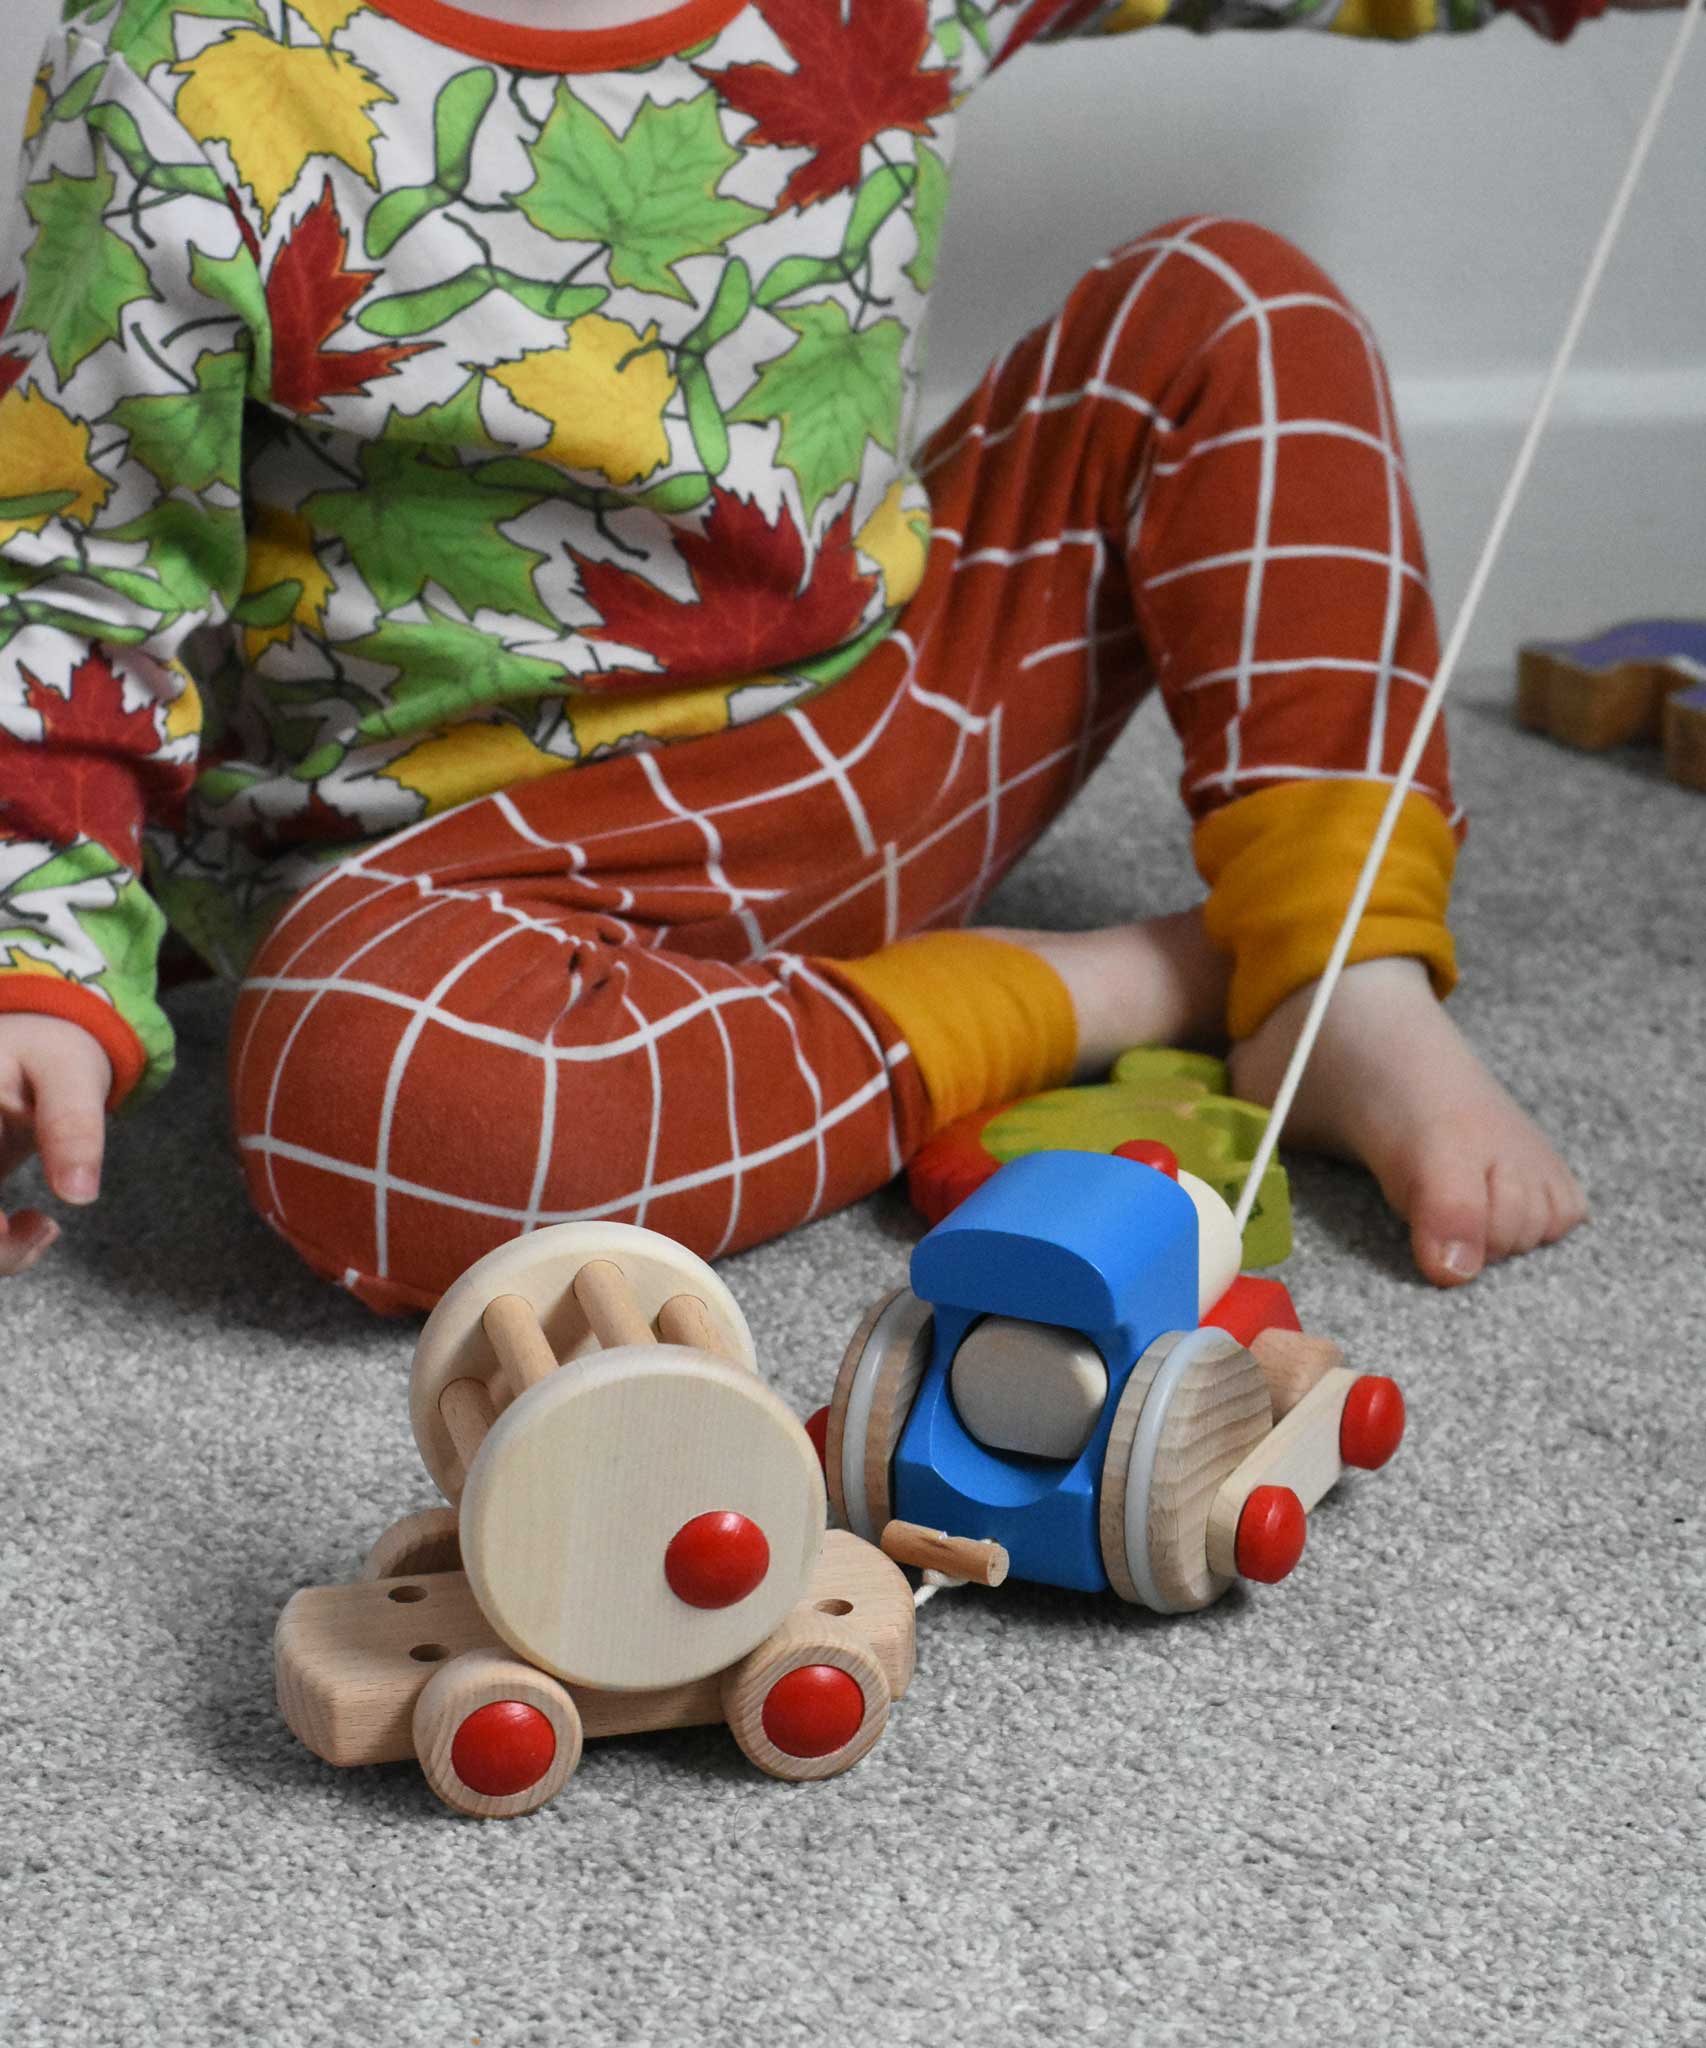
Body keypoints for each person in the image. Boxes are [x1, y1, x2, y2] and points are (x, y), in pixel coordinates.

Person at [0, 0, 1607, 1312]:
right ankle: (1127, 980)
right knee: (369, 1106)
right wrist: (46, 976)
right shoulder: (178, 72)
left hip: (899, 705)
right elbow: (81, 567)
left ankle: (1339, 972)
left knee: (1236, 305)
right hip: (469, 866)